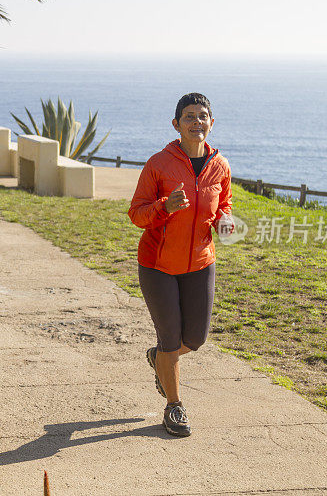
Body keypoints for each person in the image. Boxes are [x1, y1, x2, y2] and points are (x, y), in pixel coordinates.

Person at [127, 93, 234, 437]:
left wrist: (224, 220)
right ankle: (174, 406)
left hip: (200, 262)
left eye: (203, 116)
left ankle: (159, 358)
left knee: (196, 339)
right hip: (158, 265)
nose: (196, 122)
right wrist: (164, 206)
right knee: (171, 341)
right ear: (176, 125)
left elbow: (224, 205)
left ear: (211, 123)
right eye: (189, 116)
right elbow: (136, 214)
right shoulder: (159, 163)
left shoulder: (220, 166)